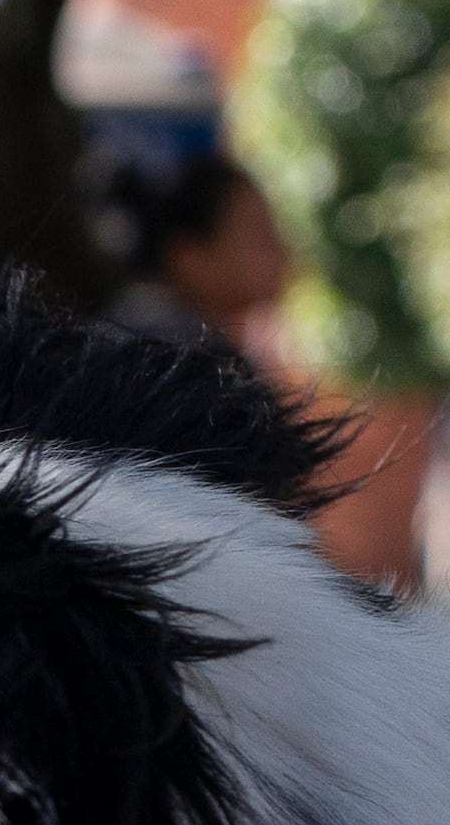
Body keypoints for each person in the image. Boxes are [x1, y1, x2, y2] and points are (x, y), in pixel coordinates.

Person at [93, 141, 432, 591]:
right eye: (258, 233)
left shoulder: (153, 341)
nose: (284, 248)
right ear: (189, 256)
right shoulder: (184, 366)